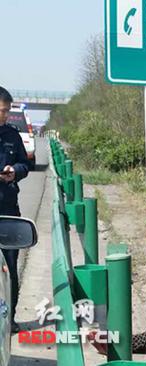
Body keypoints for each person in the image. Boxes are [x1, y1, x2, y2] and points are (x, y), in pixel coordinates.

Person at [0, 86, 30, 333]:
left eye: (7, 111)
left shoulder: (12, 135)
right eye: (2, 111)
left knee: (10, 268)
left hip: (8, 211)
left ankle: (8, 319)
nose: (5, 116)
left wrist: (14, 172)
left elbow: (25, 164)